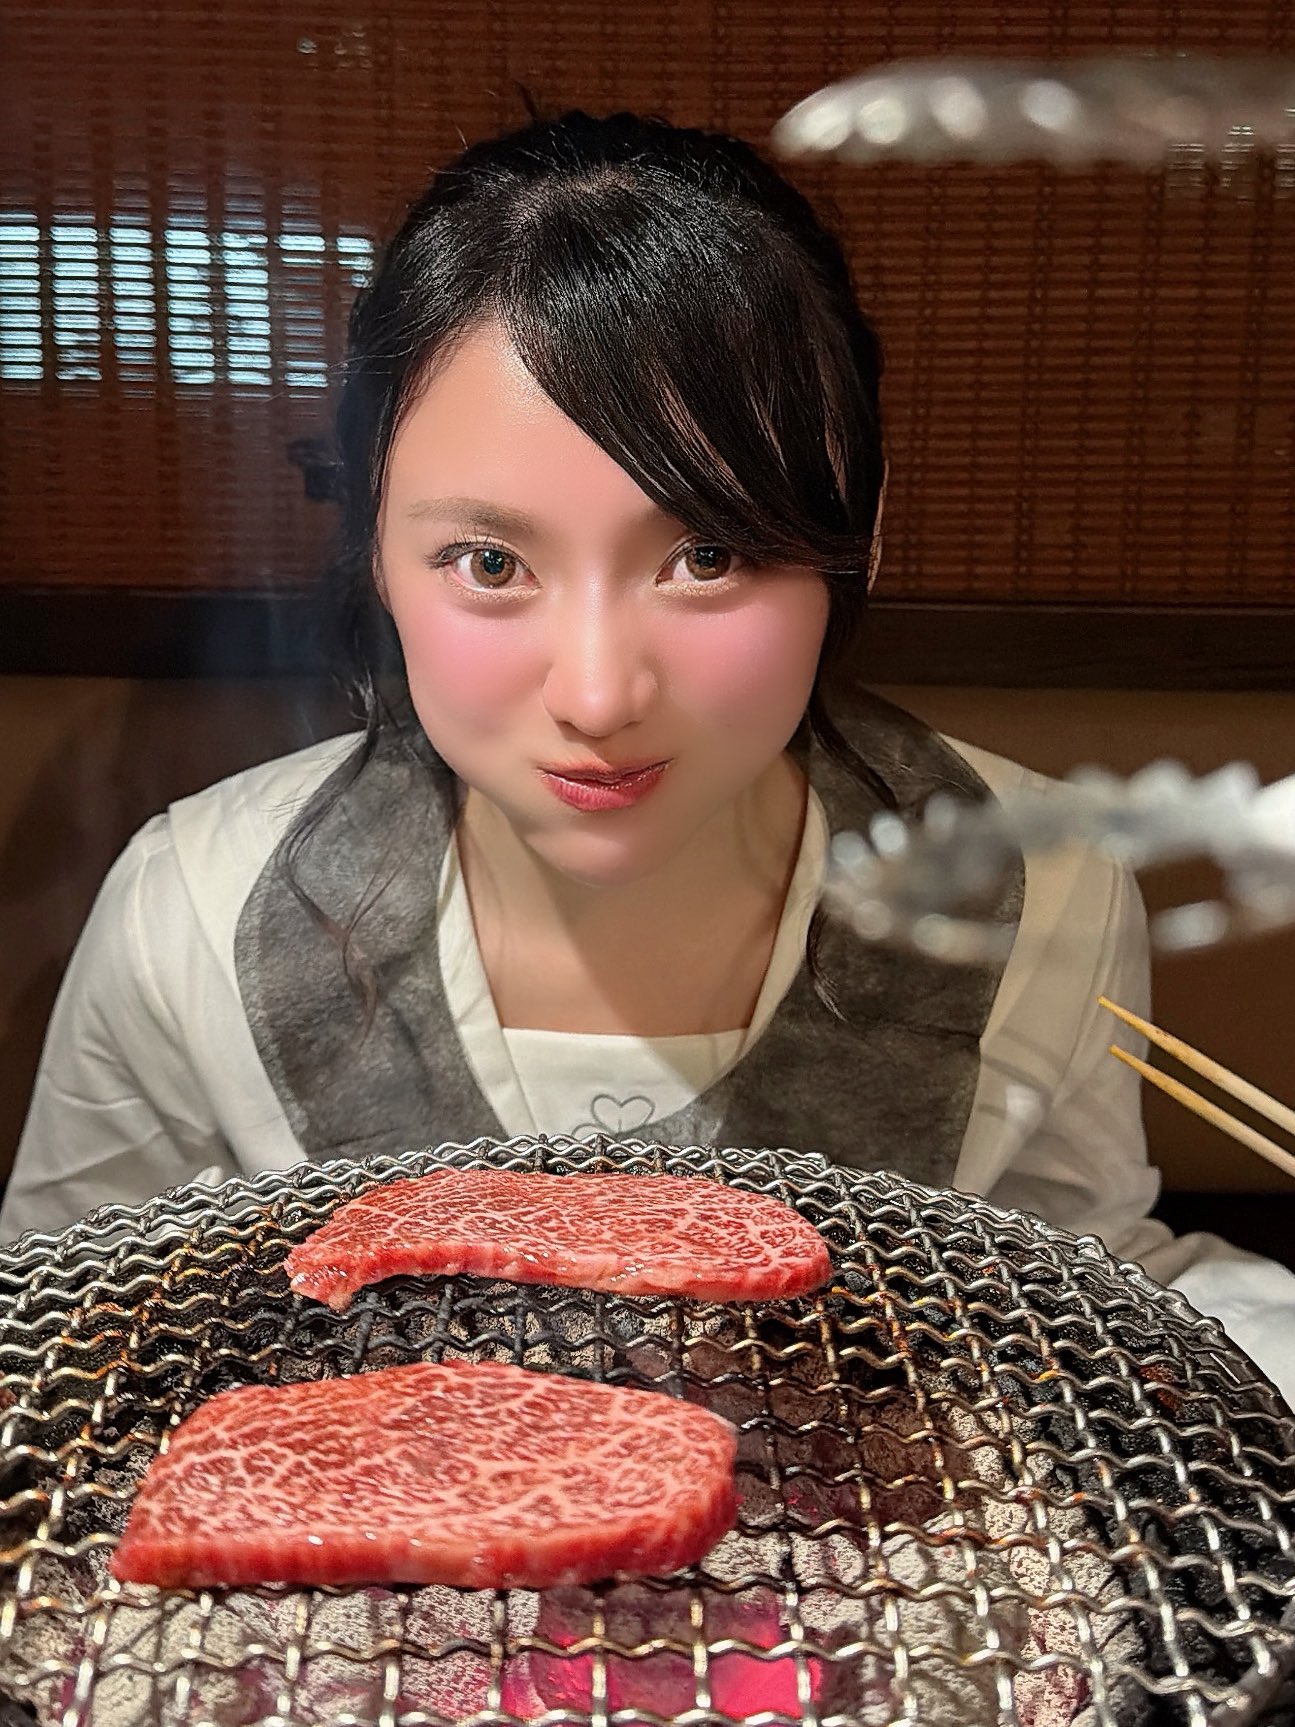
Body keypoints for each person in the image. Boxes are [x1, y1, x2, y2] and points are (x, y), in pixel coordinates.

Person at [3, 110, 1293, 1402]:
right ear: (377, 553)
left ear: (863, 527)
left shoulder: (1038, 888)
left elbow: (1082, 1281)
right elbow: (68, 1340)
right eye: (489, 562)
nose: (599, 694)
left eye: (708, 555)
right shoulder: (194, 914)